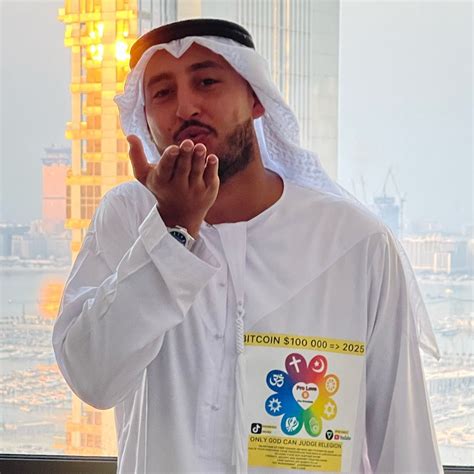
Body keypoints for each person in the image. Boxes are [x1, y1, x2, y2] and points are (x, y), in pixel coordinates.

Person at [53, 18, 443, 474]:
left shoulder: (355, 242)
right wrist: (172, 230)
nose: (185, 107)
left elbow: (404, 442)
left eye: (206, 82)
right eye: (162, 93)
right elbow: (93, 378)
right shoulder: (127, 216)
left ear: (256, 98)